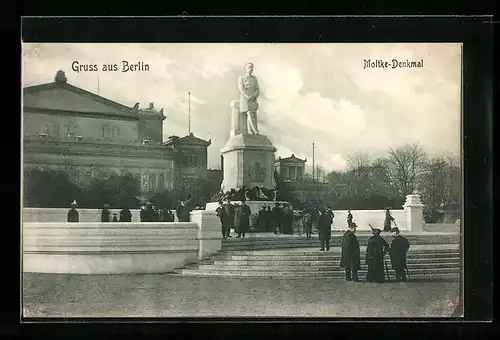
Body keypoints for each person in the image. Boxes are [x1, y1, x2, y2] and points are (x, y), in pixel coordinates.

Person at [238, 62, 260, 135]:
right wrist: (248, 97)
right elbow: (241, 89)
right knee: (249, 114)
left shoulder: (254, 79)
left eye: (252, 67)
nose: (250, 69)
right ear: (246, 69)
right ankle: (255, 131)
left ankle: (252, 132)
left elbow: (257, 89)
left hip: (253, 99)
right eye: (249, 67)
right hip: (245, 100)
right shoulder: (242, 78)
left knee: (253, 115)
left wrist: (254, 96)